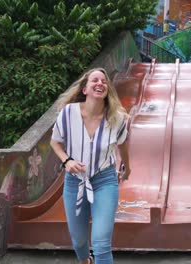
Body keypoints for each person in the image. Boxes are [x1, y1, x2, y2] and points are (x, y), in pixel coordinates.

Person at [50, 68, 131, 264]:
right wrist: (67, 160)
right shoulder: (68, 113)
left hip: (104, 181)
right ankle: (86, 261)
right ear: (85, 89)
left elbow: (122, 144)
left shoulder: (117, 118)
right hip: (74, 182)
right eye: (95, 80)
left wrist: (126, 166)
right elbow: (55, 142)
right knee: (78, 242)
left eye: (104, 81)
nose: (100, 83)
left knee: (101, 243)